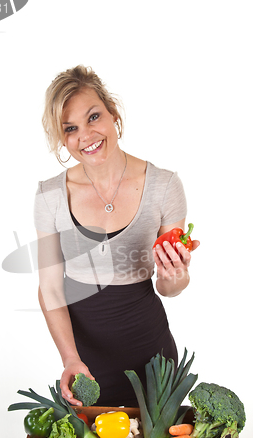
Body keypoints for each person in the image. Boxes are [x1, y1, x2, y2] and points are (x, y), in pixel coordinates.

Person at [34, 65, 199, 408]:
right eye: (71, 128)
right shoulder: (50, 195)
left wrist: (175, 274)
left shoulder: (164, 186)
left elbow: (169, 288)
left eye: (94, 117)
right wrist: (70, 359)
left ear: (113, 114)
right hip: (87, 364)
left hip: (153, 356)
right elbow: (50, 287)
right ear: (63, 138)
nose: (86, 135)